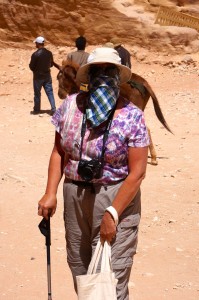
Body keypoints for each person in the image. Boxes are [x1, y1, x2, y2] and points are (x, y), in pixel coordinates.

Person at [38, 47, 149, 300]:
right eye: (97, 72)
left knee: (110, 275)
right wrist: (50, 192)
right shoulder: (69, 107)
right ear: (88, 77)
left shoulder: (132, 116)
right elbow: (59, 151)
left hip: (115, 196)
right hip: (75, 194)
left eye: (109, 72)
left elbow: (138, 172)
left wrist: (113, 213)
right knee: (81, 269)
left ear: (118, 78)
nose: (103, 77)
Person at [29, 36, 57, 114]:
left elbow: (31, 66)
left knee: (37, 93)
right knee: (50, 92)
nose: (35, 44)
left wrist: (36, 70)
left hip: (38, 77)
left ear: (38, 43)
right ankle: (53, 108)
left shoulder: (35, 54)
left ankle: (37, 110)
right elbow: (51, 64)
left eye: (36, 43)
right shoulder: (49, 53)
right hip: (47, 75)